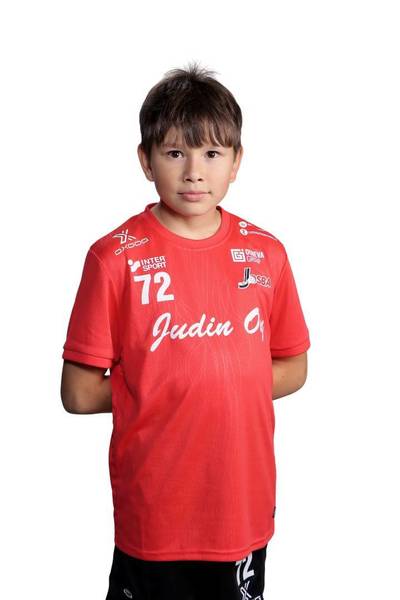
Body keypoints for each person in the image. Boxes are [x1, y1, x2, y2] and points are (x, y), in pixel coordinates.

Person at [60, 61, 311, 600]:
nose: (194, 172)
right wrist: (169, 382)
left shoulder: (266, 254)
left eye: (212, 153)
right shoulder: (114, 258)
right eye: (175, 153)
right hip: (155, 512)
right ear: (145, 160)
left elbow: (292, 366)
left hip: (240, 507)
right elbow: (78, 394)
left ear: (237, 161)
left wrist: (219, 381)